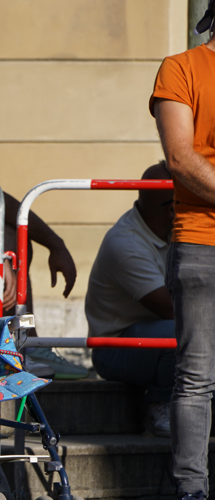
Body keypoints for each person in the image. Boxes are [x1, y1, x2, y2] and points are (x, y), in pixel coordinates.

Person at [0, 82, 86, 380]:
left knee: (13, 232)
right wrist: (1, 257)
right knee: (8, 240)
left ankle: (24, 340)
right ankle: (15, 344)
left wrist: (56, 244)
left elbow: (2, 203)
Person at [151, 2, 215, 497]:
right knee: (197, 377)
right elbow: (180, 157)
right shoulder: (182, 67)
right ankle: (191, 490)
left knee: (196, 378)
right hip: (202, 241)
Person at [85, 162, 175, 437]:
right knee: (188, 329)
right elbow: (170, 309)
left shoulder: (167, 228)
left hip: (150, 336)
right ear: (171, 206)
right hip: (114, 348)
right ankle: (160, 403)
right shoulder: (127, 244)